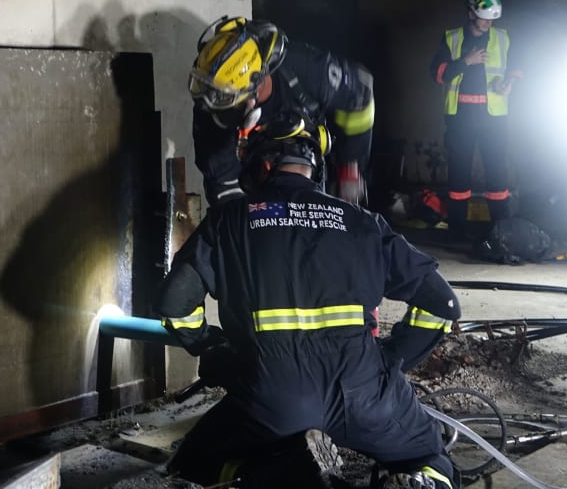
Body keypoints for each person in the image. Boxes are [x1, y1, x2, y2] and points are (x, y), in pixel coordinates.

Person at [154, 112, 462, 489]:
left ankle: (269, 479)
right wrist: (391, 358)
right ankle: (425, 481)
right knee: (428, 454)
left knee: (195, 461)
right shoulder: (363, 221)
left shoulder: (229, 219)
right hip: (365, 395)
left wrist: (211, 347)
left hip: (272, 399)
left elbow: (173, 302)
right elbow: (442, 303)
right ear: (315, 170)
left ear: (262, 164)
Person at [188, 15, 375, 206]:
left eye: (231, 101)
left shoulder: (307, 70)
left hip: (308, 167)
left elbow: (359, 96)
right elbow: (224, 187)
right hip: (251, 179)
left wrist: (350, 166)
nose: (219, 111)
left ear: (257, 83)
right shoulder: (211, 105)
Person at [429, 0, 522, 241]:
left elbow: (516, 67)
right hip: (461, 119)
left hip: (494, 119)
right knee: (459, 176)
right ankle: (458, 232)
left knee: (498, 175)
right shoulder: (452, 38)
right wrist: (464, 62)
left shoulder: (503, 38)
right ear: (470, 13)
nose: (488, 23)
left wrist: (509, 84)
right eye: (483, 17)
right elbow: (438, 74)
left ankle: (502, 232)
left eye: (492, 18)